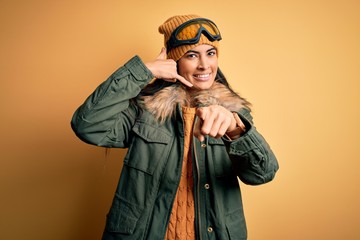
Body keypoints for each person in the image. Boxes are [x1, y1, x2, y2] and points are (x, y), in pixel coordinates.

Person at [71, 14, 279, 240]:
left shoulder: (232, 114)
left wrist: (234, 129)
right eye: (191, 55)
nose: (204, 65)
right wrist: (144, 71)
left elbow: (263, 173)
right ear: (174, 60)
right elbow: (87, 125)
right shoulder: (146, 110)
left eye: (210, 53)